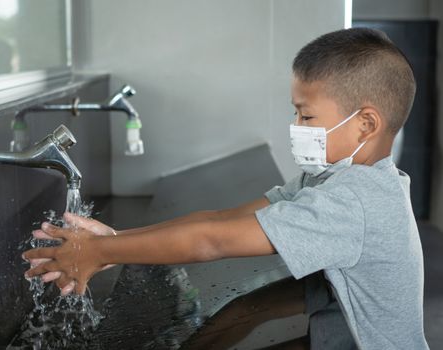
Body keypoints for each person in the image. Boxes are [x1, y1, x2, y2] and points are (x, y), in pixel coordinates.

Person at [23, 28, 429, 349]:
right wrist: (116, 240)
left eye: (306, 115)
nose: (296, 126)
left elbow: (211, 242)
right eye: (296, 112)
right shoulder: (336, 178)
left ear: (366, 124)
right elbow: (223, 219)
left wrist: (99, 252)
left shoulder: (352, 201)